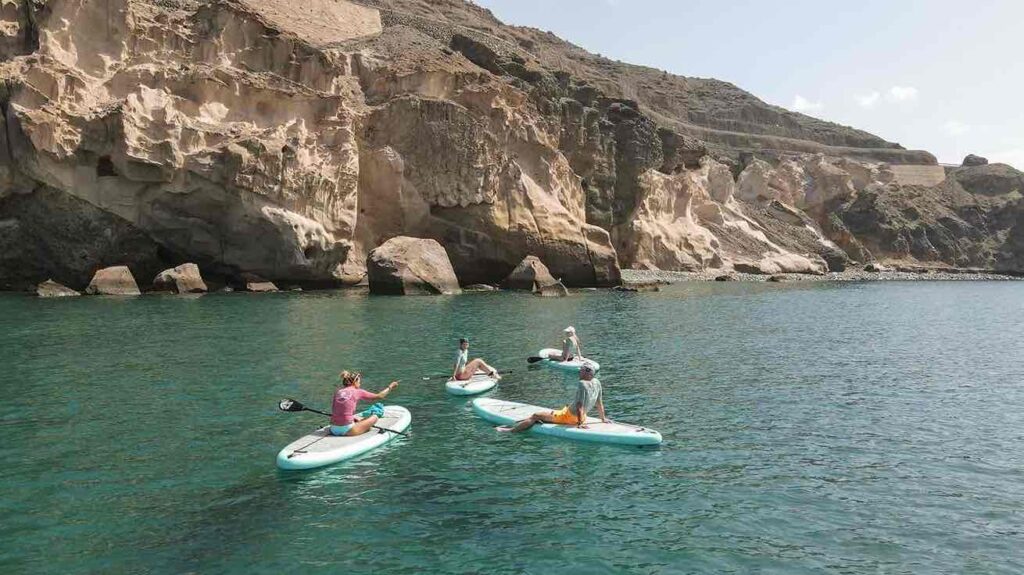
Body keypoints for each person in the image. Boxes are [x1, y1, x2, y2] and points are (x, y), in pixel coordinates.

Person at [501, 364, 606, 432]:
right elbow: (599, 403)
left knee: (536, 415)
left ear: (585, 373)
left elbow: (579, 405)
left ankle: (510, 431)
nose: (579, 372)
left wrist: (579, 424)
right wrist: (603, 419)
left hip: (570, 418)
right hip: (582, 416)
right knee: (559, 410)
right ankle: (545, 419)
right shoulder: (597, 382)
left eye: (581, 371)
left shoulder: (582, 383)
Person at [330, 371, 398, 437]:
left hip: (333, 429)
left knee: (357, 420)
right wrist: (390, 386)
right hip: (348, 430)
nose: (360, 384)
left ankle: (360, 426)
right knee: (375, 417)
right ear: (355, 382)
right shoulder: (358, 391)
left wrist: (352, 418)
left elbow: (338, 410)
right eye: (359, 382)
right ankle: (365, 428)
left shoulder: (338, 392)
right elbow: (379, 396)